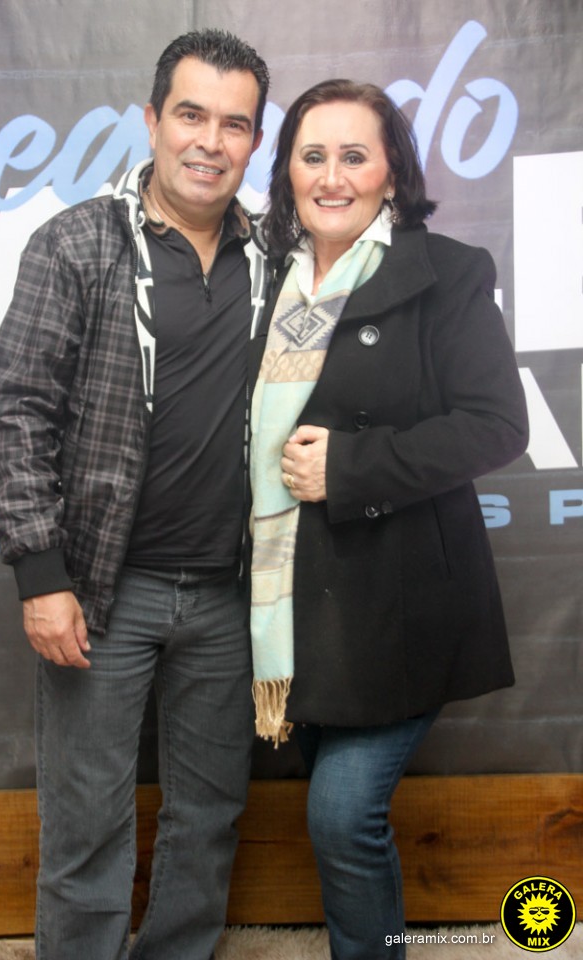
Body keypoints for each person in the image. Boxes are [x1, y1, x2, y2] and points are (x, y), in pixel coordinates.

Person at [0, 29, 269, 960]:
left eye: (235, 124)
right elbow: (16, 406)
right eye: (191, 115)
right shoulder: (78, 243)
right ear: (151, 121)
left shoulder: (279, 256)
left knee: (210, 818)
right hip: (105, 591)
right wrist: (41, 576)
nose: (210, 142)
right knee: (86, 829)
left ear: (256, 140)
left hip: (231, 597)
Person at [248, 79, 529, 960]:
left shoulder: (446, 272)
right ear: (288, 172)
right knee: (339, 816)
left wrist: (350, 467)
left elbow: (497, 425)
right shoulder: (262, 283)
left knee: (341, 813)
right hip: (291, 602)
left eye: (354, 156)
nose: (332, 177)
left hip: (400, 602)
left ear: (393, 174)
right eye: (312, 156)